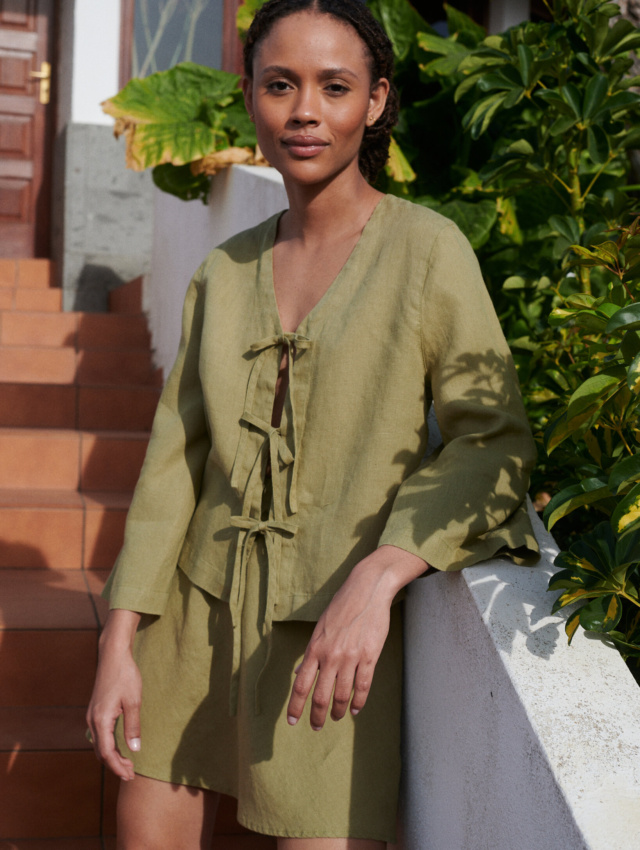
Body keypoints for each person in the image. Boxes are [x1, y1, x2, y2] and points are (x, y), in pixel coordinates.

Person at [87, 1, 539, 848]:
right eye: (280, 85)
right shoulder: (225, 270)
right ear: (250, 96)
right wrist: (119, 642)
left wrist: (380, 578)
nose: (304, 111)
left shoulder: (428, 250)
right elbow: (174, 464)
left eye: (335, 87)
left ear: (374, 103)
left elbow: (495, 438)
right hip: (191, 618)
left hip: (334, 637)